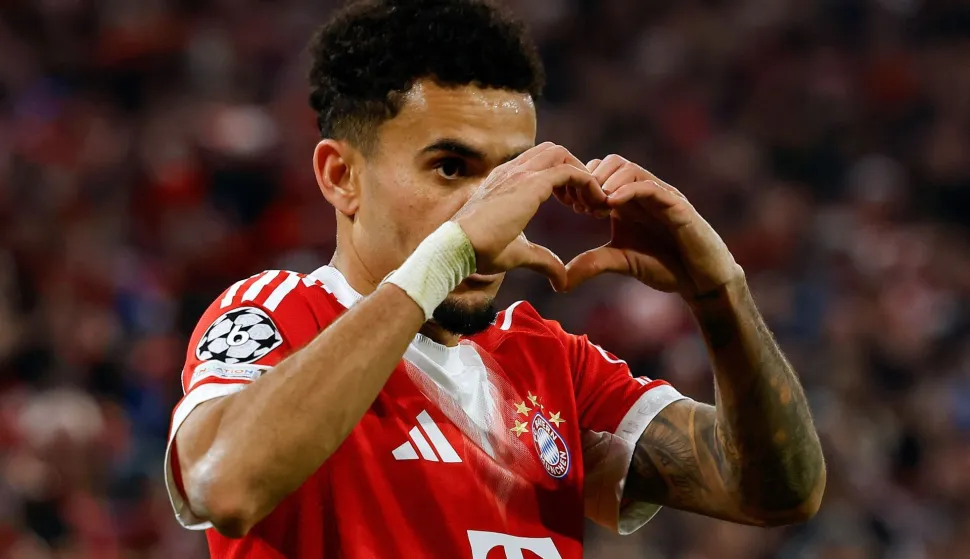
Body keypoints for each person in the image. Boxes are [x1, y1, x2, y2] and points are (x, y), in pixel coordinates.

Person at [164, 0, 826, 557]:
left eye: (511, 174)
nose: (492, 205)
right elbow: (221, 486)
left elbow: (777, 492)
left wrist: (720, 292)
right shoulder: (279, 314)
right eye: (451, 168)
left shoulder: (552, 364)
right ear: (342, 176)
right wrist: (449, 252)